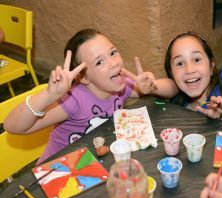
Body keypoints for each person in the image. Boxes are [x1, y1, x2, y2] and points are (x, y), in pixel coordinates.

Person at [3, 28, 177, 164]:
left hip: (95, 163)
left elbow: (173, 87)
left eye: (113, 52)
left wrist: (151, 87)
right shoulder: (73, 100)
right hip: (59, 171)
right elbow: (13, 126)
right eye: (99, 62)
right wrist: (49, 95)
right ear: (83, 77)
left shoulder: (120, 85)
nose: (113, 63)